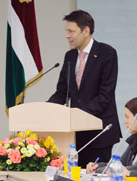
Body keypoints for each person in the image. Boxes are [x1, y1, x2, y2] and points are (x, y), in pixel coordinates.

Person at [48, 10, 121, 167]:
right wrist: (46, 109)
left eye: (71, 31)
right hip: (75, 134)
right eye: (66, 31)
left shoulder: (107, 53)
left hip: (99, 132)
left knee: (96, 180)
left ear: (86, 31)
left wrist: (79, 115)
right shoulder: (70, 56)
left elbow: (105, 95)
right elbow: (62, 93)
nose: (67, 35)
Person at [86, 97, 137, 173]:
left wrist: (97, 170)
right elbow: (120, 163)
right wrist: (97, 165)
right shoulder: (136, 138)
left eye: (127, 117)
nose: (125, 122)